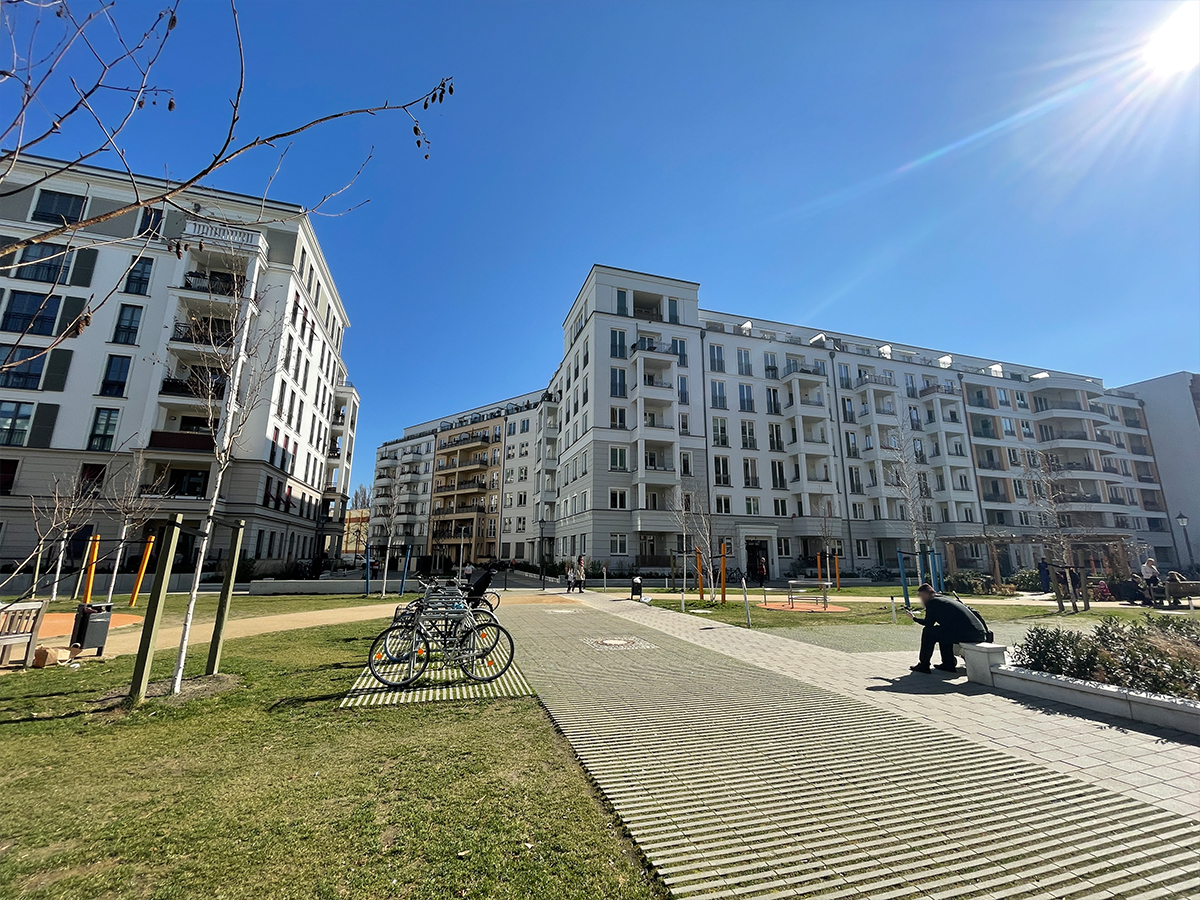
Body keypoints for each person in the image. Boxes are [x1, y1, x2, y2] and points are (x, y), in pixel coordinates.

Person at [906, 583, 987, 674]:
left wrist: (914, 618)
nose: (921, 600)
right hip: (978, 633)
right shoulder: (944, 598)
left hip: (968, 635)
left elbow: (928, 623)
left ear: (925, 594)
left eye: (921, 596)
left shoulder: (932, 602)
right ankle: (948, 663)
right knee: (942, 632)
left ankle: (924, 665)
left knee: (928, 632)